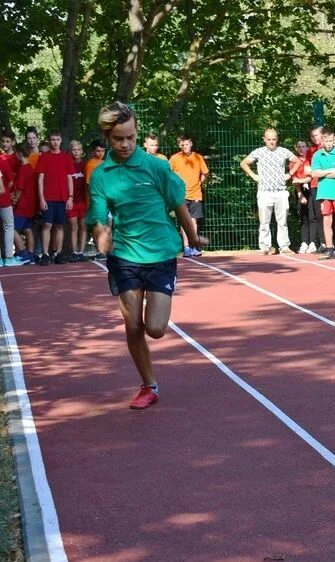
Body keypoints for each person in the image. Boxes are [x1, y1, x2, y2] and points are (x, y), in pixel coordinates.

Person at [87, 101, 208, 410]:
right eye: (118, 139)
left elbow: (178, 203)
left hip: (160, 253)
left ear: (136, 132)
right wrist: (101, 236)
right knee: (132, 326)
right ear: (107, 138)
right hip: (124, 257)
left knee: (155, 328)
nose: (125, 144)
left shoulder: (156, 166)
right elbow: (99, 217)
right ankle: (148, 385)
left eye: (130, 136)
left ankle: (149, 371)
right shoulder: (101, 175)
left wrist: (193, 238)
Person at [240, 128, 299, 255]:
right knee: (264, 221)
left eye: (274, 139)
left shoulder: (283, 151)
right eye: (269, 139)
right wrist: (253, 175)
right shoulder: (259, 152)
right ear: (264, 139)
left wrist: (289, 174)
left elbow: (298, 161)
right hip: (264, 192)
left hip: (280, 191)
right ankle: (265, 247)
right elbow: (244, 163)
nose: (271, 142)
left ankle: (284, 246)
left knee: (282, 221)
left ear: (277, 139)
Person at [310, 129, 335, 260]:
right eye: (326, 141)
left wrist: (323, 172)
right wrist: (330, 170)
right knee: (327, 220)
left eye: (331, 141)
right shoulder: (317, 155)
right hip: (324, 192)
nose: (329, 144)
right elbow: (314, 173)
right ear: (322, 141)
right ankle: (329, 249)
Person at [35, 131, 75, 265]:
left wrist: (70, 197)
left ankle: (58, 254)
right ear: (49, 140)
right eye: (52, 139)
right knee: (47, 224)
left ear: (61, 140)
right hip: (48, 198)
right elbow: (40, 179)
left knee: (59, 226)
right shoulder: (44, 157)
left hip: (62, 198)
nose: (55, 142)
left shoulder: (66, 157)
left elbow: (70, 178)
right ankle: (45, 254)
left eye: (57, 139)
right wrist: (41, 198)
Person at [169, 134, 208, 257]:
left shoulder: (198, 157)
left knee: (193, 221)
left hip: (195, 193)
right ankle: (186, 247)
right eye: (183, 145)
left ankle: (194, 246)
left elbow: (205, 173)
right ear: (179, 145)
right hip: (181, 195)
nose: (185, 146)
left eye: (187, 144)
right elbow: (168, 174)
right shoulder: (175, 158)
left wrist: (199, 183)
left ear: (191, 144)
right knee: (184, 222)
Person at [11, 144, 38, 263]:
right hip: (31, 204)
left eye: (16, 153)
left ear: (20, 154)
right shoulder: (31, 168)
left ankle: (22, 252)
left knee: (11, 228)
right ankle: (31, 254)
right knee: (28, 229)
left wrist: (15, 200)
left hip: (22, 205)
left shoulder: (23, 168)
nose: (15, 156)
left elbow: (20, 188)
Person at [290, 139, 315, 253]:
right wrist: (300, 195)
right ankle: (304, 242)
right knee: (303, 218)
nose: (301, 149)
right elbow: (294, 181)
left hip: (312, 189)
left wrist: (303, 180)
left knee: (312, 216)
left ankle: (313, 242)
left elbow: (311, 177)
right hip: (300, 191)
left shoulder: (311, 159)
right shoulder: (293, 162)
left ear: (307, 148)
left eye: (303, 146)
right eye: (299, 147)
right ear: (296, 148)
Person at [67, 140, 89, 261]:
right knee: (74, 226)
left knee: (83, 226)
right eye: (74, 150)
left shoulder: (86, 164)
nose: (76, 152)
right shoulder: (67, 164)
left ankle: (81, 251)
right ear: (71, 151)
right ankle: (74, 252)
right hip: (71, 200)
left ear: (82, 151)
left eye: (78, 150)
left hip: (83, 201)